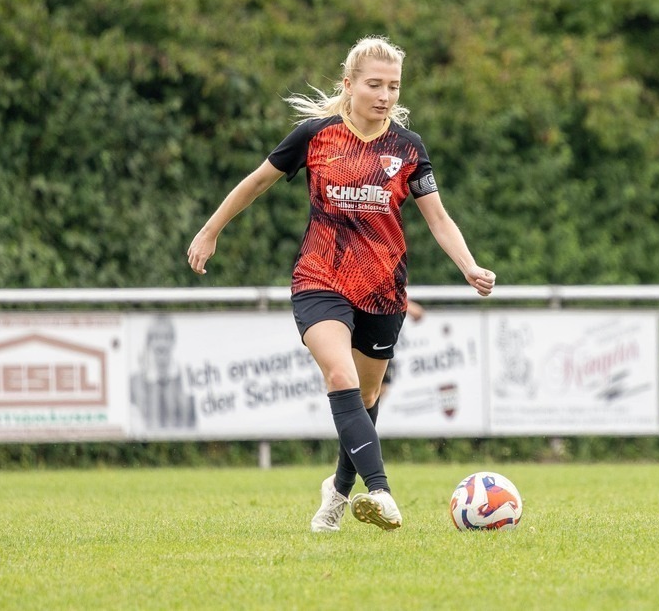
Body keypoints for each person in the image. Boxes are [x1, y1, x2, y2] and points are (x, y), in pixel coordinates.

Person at [186, 36, 496, 533]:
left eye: (393, 86)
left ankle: (336, 491)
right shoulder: (316, 136)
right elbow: (256, 181)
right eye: (374, 84)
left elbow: (438, 219)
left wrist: (469, 266)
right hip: (320, 278)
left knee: (367, 400)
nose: (385, 95)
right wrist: (210, 229)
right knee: (340, 376)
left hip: (383, 290)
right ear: (348, 85)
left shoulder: (408, 148)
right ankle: (381, 490)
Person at [380, 298, 425, 399]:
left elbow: (418, 313)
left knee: (381, 389)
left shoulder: (391, 293)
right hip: (367, 346)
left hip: (384, 348)